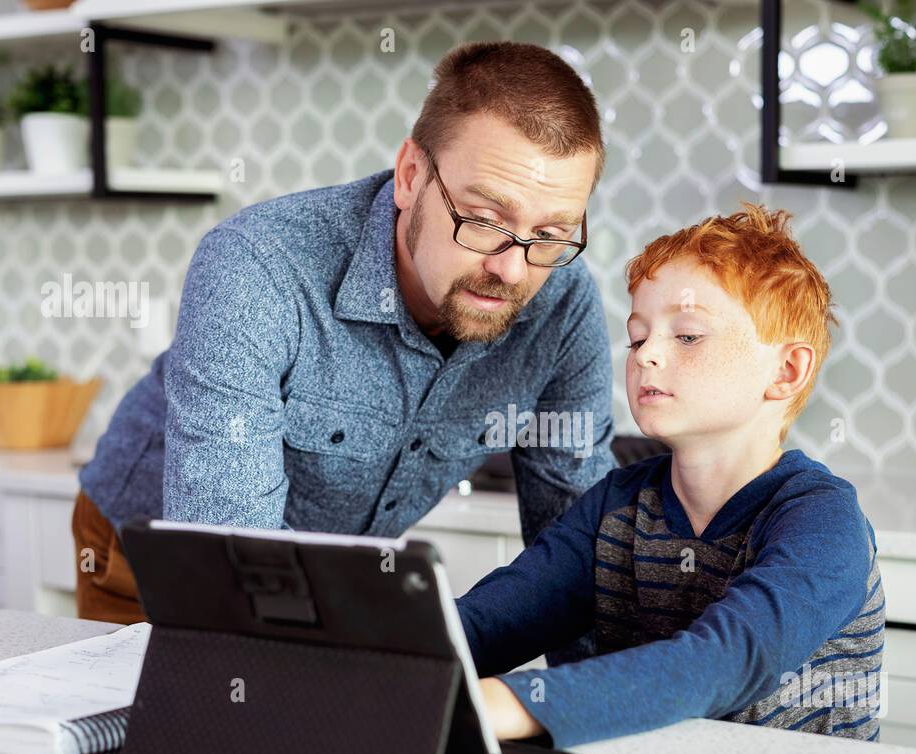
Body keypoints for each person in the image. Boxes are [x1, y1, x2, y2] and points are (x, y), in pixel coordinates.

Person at [72, 42, 616, 624]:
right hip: (149, 551)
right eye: (483, 221)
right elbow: (225, 559)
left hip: (330, 572)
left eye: (551, 234)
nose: (513, 270)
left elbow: (574, 540)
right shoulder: (258, 265)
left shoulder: (562, 301)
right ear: (411, 176)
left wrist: (600, 703)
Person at [463, 204, 886, 748]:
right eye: (638, 338)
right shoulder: (615, 505)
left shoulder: (822, 522)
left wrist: (507, 703)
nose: (647, 357)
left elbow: (721, 661)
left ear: (786, 371)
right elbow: (494, 621)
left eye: (687, 336)